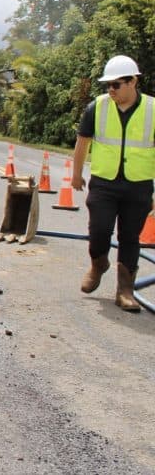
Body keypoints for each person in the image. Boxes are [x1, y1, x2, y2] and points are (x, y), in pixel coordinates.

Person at [73, 55, 152, 312]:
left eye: (116, 85)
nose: (111, 90)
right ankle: (98, 264)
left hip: (138, 185)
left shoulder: (152, 110)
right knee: (99, 229)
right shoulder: (97, 107)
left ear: (133, 82)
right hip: (104, 182)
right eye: (108, 85)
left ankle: (125, 290)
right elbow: (83, 142)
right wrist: (76, 174)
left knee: (130, 237)